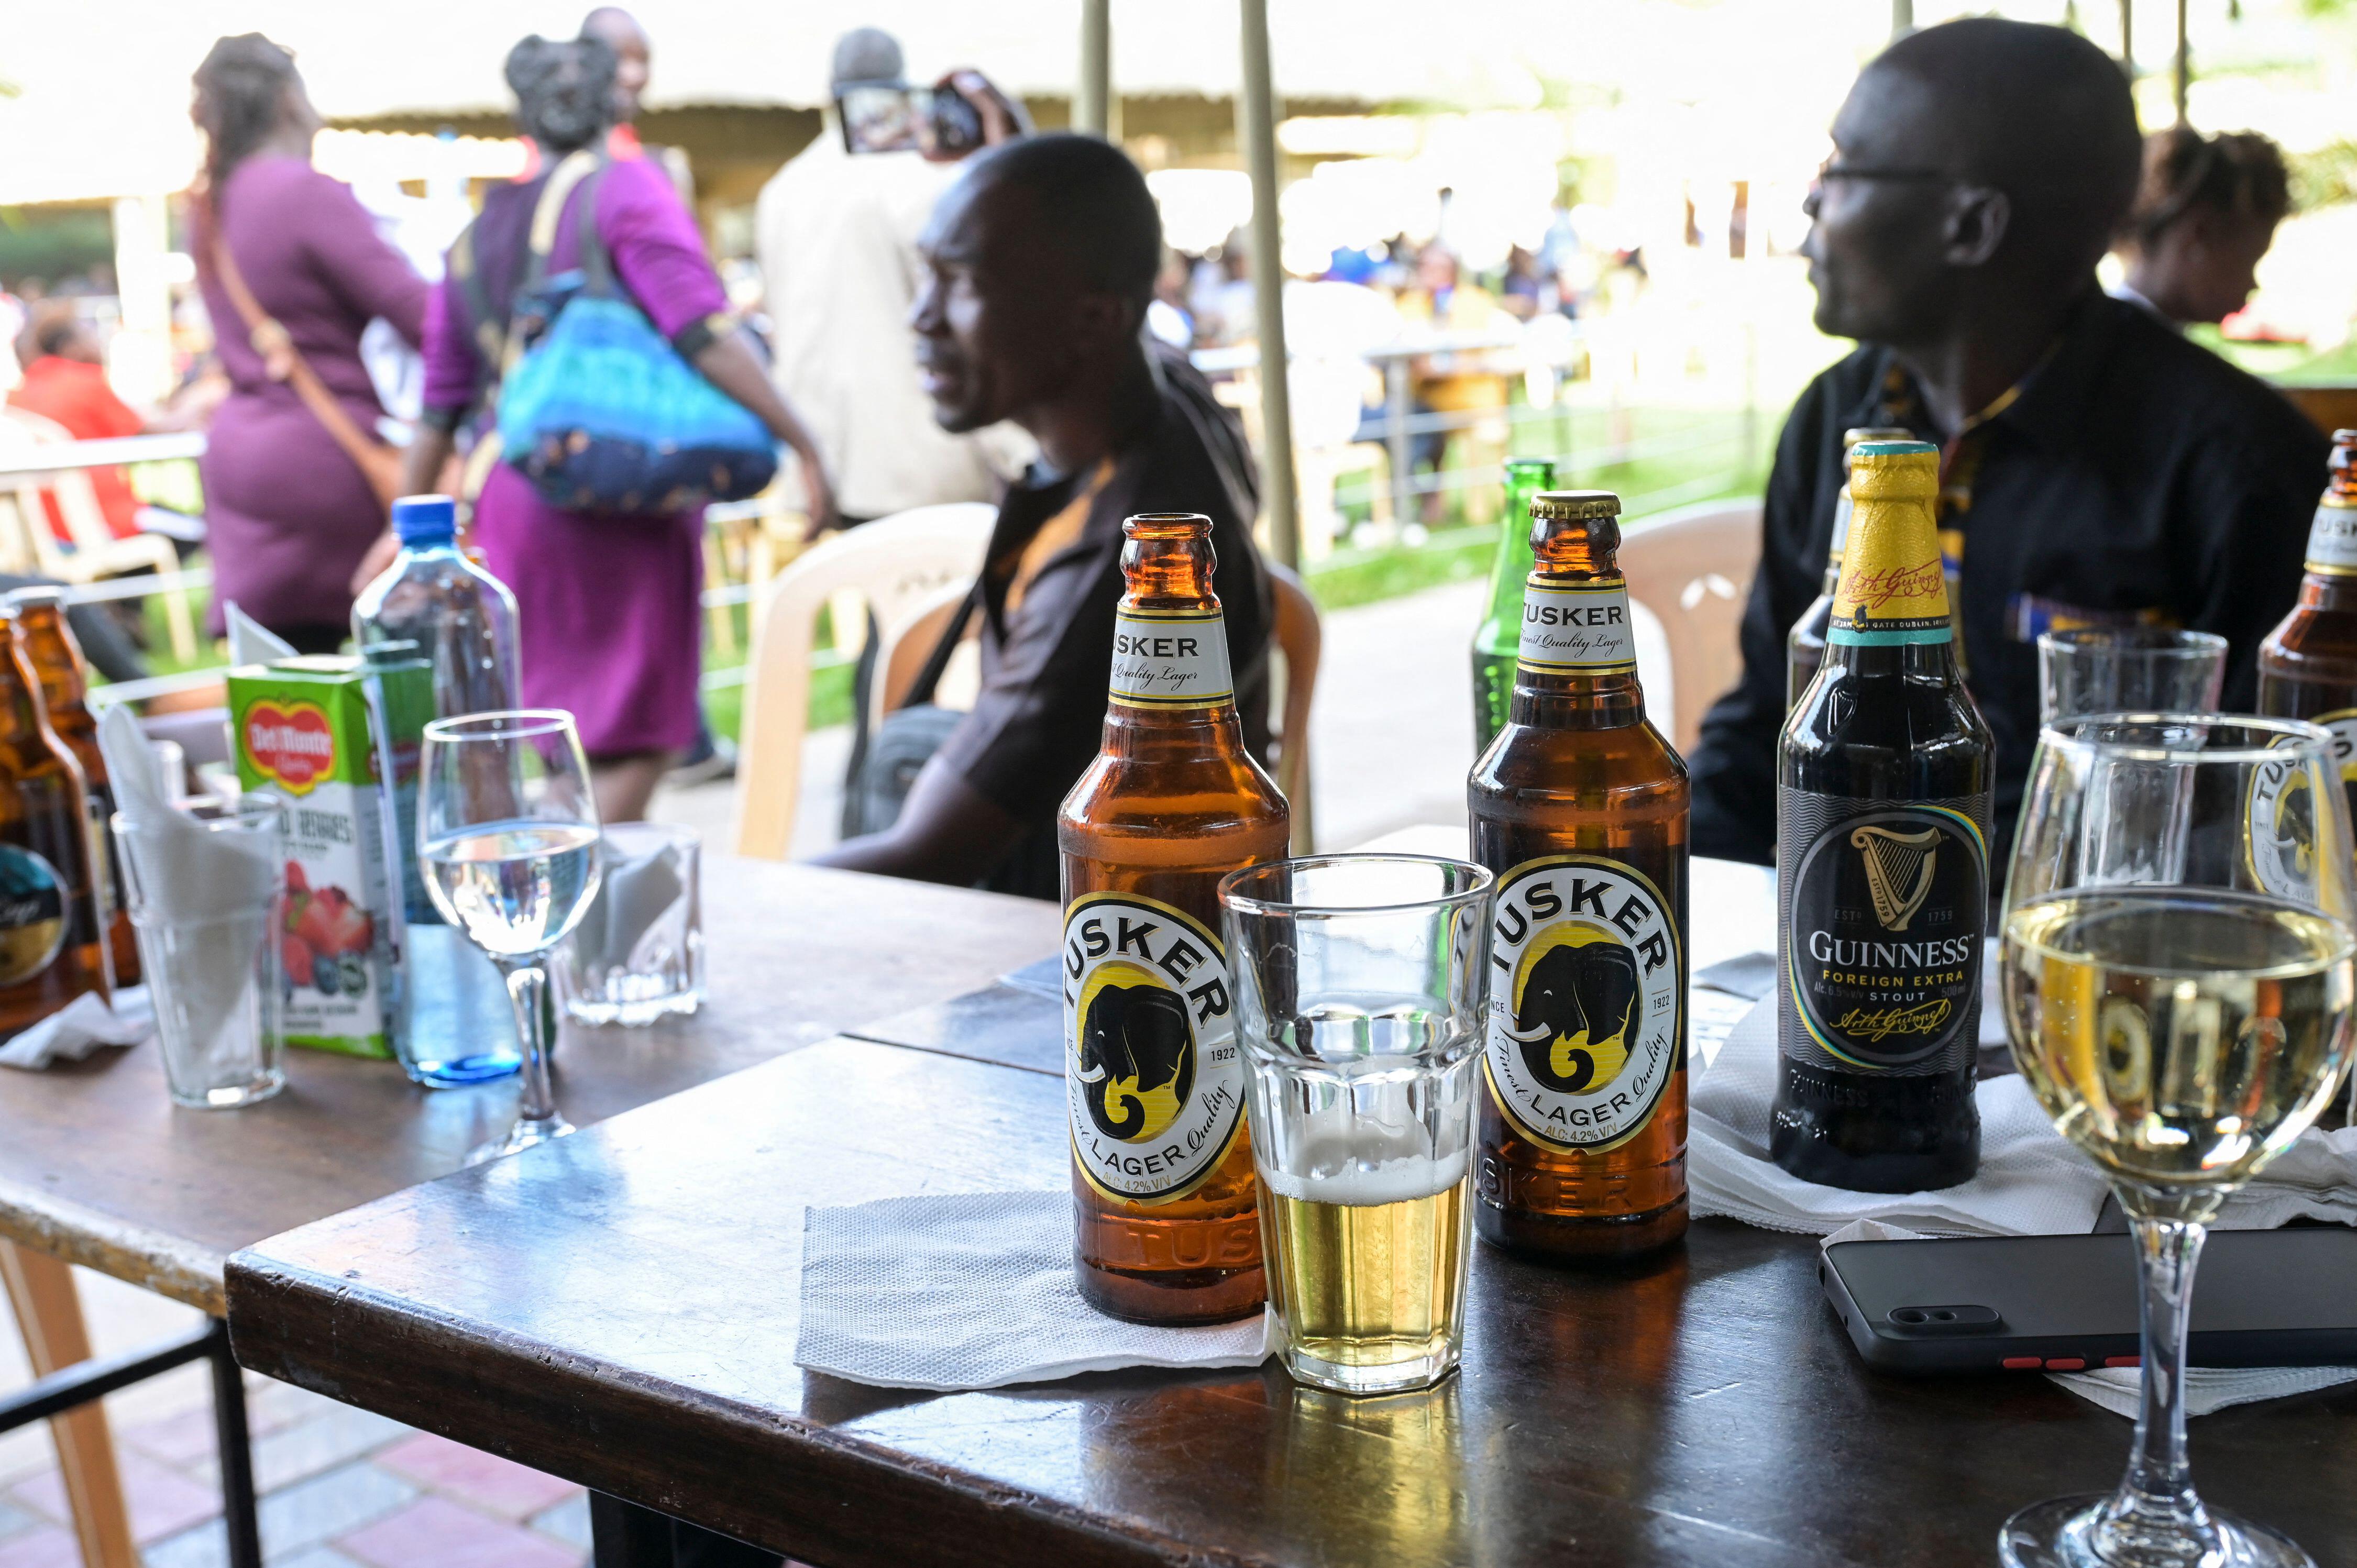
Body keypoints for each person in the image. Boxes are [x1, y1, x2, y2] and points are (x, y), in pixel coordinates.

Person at [1688, 17, 2328, 865]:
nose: (1811, 202)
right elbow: (1763, 721)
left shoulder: (2242, 469)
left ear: (1971, 227)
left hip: (2082, 932)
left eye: (1840, 168)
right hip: (1838, 915)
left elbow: (2260, 815)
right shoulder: (1836, 419)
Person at [391, 35, 836, 825]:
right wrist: (802, 440)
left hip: (514, 502)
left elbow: (439, 407)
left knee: (564, 738)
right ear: (614, 104)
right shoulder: (626, 190)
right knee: (640, 740)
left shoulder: (475, 236)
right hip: (617, 502)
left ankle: (560, 874)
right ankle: (574, 884)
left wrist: (403, 534)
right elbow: (701, 329)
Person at [811, 134, 1271, 895]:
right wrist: (1016, 164)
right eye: (929, 274)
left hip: (1071, 937)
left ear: (1092, 319)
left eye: (962, 281)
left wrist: (718, 891)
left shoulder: (1114, 580)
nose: (922, 317)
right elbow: (1099, 258)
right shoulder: (1175, 407)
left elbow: (925, 857)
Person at [189, 33, 429, 653]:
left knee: (289, 685)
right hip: (325, 461)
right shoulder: (303, 193)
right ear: (288, 100)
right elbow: (421, 317)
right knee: (405, 663)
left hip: (243, 459)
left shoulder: (210, 204)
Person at [754, 29, 1029, 532]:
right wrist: (1018, 453)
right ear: (903, 88)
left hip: (827, 462)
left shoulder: (784, 190)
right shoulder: (926, 178)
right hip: (921, 467)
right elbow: (971, 323)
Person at [2114, 125, 2291, 329]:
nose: (2253, 286)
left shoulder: (2103, 330)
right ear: (2199, 235)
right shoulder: (2132, 344)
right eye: (2249, 263)